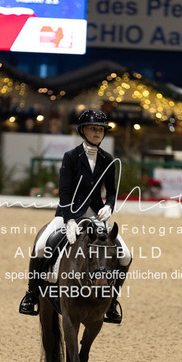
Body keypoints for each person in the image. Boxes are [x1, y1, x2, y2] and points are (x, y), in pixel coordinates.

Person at [19, 109, 132, 323]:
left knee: (125, 255)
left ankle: (112, 302)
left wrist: (109, 206)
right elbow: (64, 192)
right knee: (41, 246)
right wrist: (69, 220)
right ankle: (31, 294)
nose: (97, 133)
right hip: (68, 212)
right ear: (82, 131)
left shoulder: (107, 159)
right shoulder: (71, 157)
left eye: (101, 129)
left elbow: (112, 191)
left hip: (97, 216)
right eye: (93, 128)